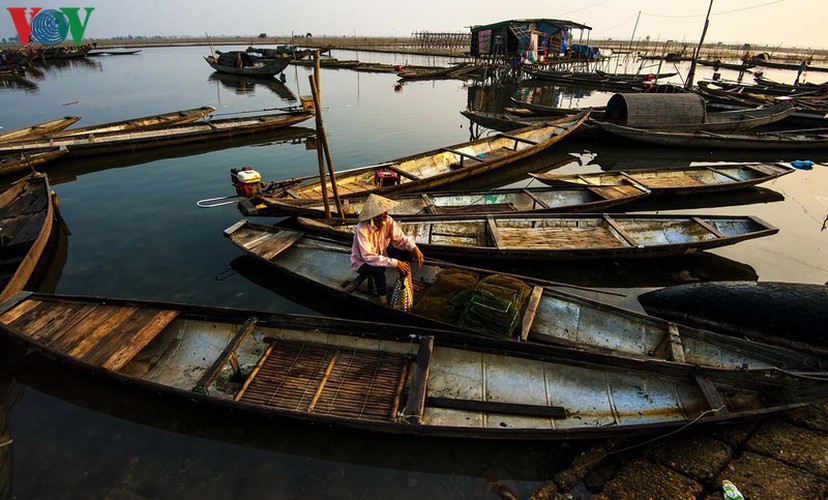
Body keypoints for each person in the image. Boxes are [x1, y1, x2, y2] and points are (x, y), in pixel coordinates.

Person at [350, 194, 424, 304]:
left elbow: (401, 240)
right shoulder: (361, 229)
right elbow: (368, 256)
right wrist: (395, 263)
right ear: (374, 216)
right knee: (378, 271)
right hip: (362, 262)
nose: (386, 214)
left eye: (385, 212)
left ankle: (403, 282)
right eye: (382, 213)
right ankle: (383, 299)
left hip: (382, 255)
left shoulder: (388, 221)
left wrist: (414, 248)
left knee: (408, 253)